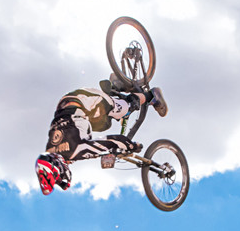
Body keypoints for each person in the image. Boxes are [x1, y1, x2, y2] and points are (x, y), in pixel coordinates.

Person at [35, 74, 164, 195]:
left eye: (58, 177)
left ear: (58, 168)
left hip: (85, 101)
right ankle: (116, 88)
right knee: (104, 124)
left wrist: (130, 145)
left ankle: (151, 95)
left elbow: (110, 141)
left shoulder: (73, 152)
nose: (62, 177)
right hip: (72, 104)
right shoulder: (52, 149)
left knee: (124, 108)